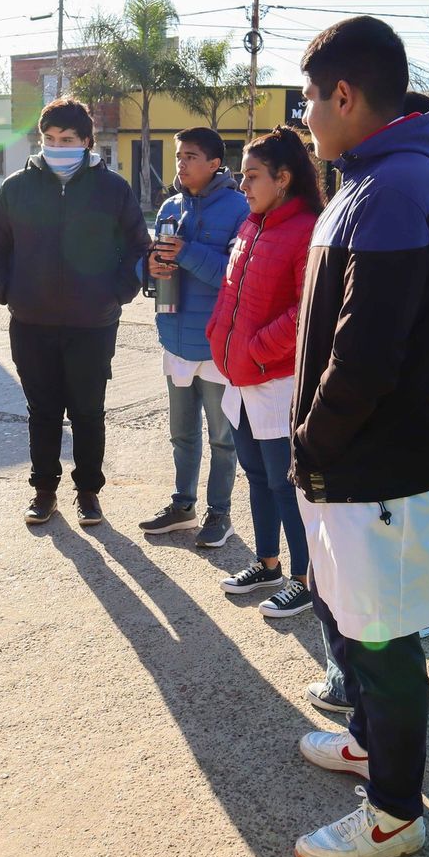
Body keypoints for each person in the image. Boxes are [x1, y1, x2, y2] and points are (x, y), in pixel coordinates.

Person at [290, 17, 429, 857]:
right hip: (349, 461)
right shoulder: (374, 177)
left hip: (372, 464)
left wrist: (313, 442)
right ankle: (372, 744)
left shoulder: (400, 184)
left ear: (345, 94)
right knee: (349, 612)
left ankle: (396, 813)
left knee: (383, 638)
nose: (305, 115)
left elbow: (366, 353)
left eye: (308, 98)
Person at [0, 97, 150, 527]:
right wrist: (3, 288)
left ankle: (88, 492)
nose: (57, 146)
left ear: (87, 142)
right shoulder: (18, 186)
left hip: (92, 324)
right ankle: (43, 491)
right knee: (44, 412)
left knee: (88, 411)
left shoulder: (112, 189)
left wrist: (118, 292)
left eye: (67, 139)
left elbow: (137, 246)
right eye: (49, 139)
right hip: (31, 323)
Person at [205, 126, 322, 618]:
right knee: (255, 474)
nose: (244, 185)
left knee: (284, 482)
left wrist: (255, 348)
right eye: (242, 175)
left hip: (276, 382)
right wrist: (219, 336)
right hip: (241, 378)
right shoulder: (253, 225)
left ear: (284, 177)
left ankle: (303, 577)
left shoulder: (306, 228)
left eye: (252, 176)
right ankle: (267, 562)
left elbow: (306, 311)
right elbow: (231, 295)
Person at [137, 127, 247, 547]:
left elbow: (231, 277)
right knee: (181, 433)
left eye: (191, 157)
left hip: (216, 345)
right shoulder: (170, 205)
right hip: (175, 340)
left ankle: (220, 514)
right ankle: (182, 507)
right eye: (179, 156)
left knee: (223, 438)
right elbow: (150, 262)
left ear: (216, 163)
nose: (181, 164)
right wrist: (149, 267)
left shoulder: (239, 208)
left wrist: (183, 253)